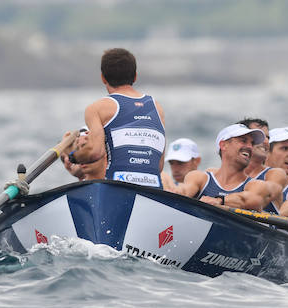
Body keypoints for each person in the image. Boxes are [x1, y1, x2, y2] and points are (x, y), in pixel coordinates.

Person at [67, 47, 167, 189]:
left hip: (116, 190)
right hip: (154, 190)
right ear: (135, 76)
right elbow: (159, 165)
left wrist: (72, 156)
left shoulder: (97, 108)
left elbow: (95, 152)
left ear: (103, 78)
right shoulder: (157, 107)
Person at [177, 123, 274, 211]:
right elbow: (184, 191)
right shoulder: (199, 178)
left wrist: (220, 201)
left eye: (252, 143)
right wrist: (175, 190)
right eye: (243, 141)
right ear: (223, 145)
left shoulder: (257, 185)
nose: (249, 147)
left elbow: (247, 199)